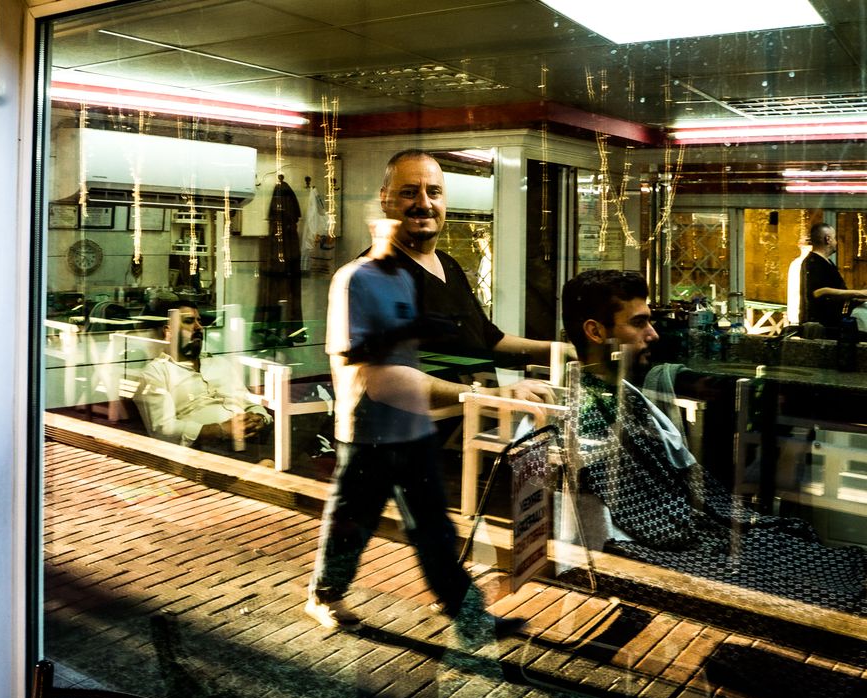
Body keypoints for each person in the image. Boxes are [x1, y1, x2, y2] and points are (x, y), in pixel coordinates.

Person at [560, 269, 866, 612]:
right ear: (595, 331)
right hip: (676, 545)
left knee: (823, 558)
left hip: (703, 525)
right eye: (639, 323)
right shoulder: (584, 410)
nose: (653, 334)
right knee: (830, 593)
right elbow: (639, 512)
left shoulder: (622, 392)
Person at [306, 216, 523, 646]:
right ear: (374, 233)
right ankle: (324, 595)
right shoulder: (352, 279)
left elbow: (411, 354)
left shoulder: (405, 280)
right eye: (385, 230)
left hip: (412, 426)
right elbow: (353, 355)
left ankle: (466, 612)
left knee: (433, 527)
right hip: (367, 431)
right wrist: (412, 331)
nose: (393, 237)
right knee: (353, 522)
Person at [377, 149, 559, 368]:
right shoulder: (376, 276)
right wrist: (502, 389)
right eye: (409, 193)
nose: (424, 203)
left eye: (434, 192)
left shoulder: (448, 265)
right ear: (385, 199)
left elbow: (489, 340)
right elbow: (391, 376)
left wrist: (559, 352)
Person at [133, 299, 271, 450]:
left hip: (251, 438)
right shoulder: (155, 373)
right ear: (168, 331)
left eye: (199, 321)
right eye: (189, 321)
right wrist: (221, 430)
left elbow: (248, 402)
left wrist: (260, 418)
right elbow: (163, 429)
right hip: (206, 449)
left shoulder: (219, 363)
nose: (199, 327)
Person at [800, 222, 867, 331]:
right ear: (828, 239)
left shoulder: (827, 262)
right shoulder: (813, 262)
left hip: (832, 324)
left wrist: (857, 298)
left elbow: (835, 292)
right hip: (822, 327)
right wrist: (859, 293)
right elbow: (819, 292)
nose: (836, 242)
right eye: (835, 238)